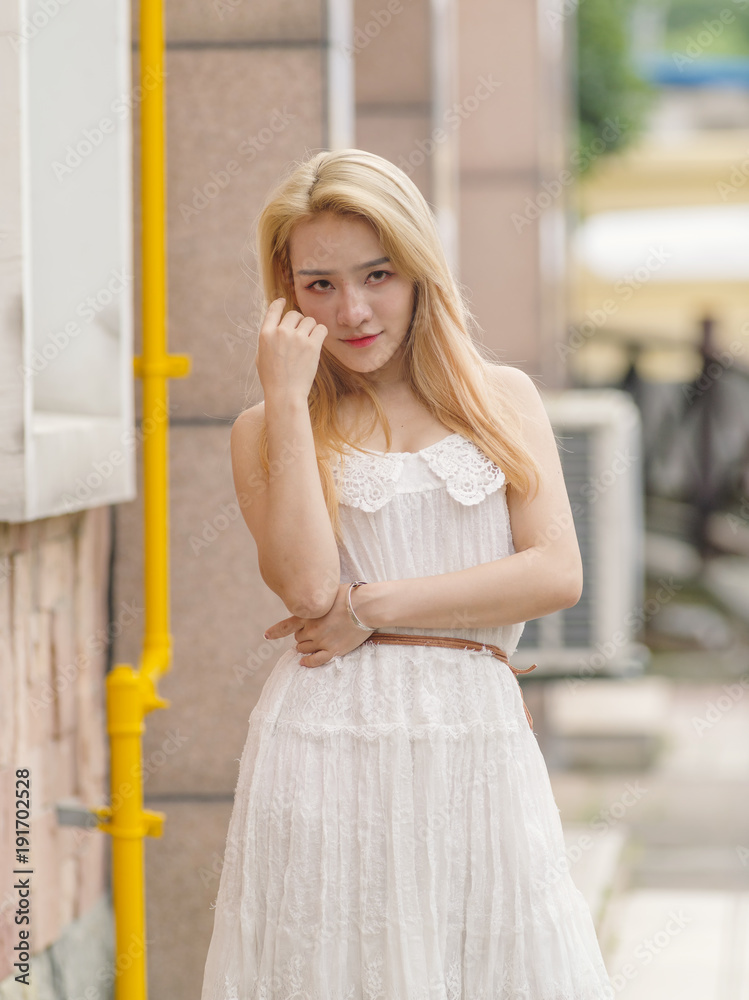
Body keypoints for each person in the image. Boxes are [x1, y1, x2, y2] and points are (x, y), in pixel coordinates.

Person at [201, 148, 614, 999]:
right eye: (318, 285)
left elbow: (554, 573)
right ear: (285, 292)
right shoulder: (264, 428)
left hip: (475, 739)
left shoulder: (502, 398)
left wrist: (374, 605)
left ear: (419, 267)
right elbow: (310, 591)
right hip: (323, 744)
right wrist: (284, 399)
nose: (352, 309)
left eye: (377, 274)